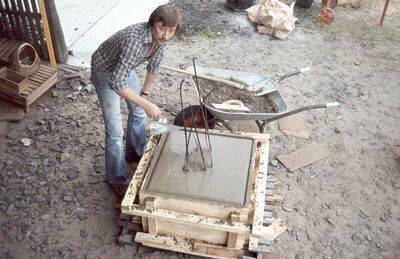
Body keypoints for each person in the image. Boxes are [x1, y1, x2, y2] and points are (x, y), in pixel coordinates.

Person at [90, 5, 182, 197]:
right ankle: (116, 180)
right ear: (152, 24)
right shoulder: (135, 41)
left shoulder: (160, 41)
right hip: (105, 72)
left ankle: (134, 154)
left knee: (138, 111)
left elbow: (153, 68)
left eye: (171, 31)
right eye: (162, 28)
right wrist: (146, 104)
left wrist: (144, 96)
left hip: (124, 69)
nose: (166, 35)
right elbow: (116, 82)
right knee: (115, 130)